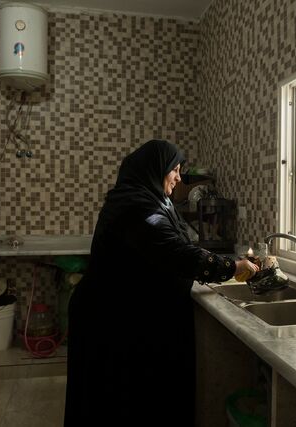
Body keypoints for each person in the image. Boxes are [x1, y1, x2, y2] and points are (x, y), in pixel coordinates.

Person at [64, 139, 258, 426]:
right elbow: (175, 252)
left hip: (117, 314)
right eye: (175, 170)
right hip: (109, 319)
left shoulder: (147, 199)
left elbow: (176, 244)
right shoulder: (137, 207)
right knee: (111, 401)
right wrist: (232, 267)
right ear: (155, 170)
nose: (179, 177)